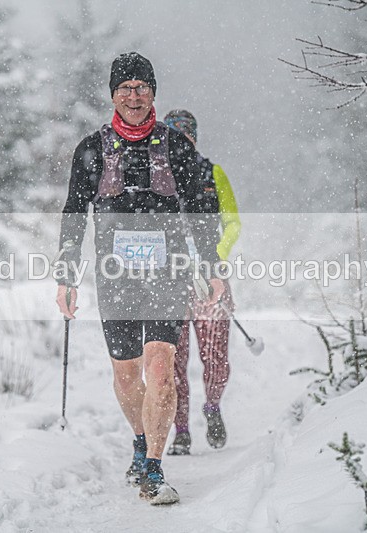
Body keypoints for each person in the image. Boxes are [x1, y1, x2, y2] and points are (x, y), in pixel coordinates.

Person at [55, 52, 224, 505]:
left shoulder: (177, 147)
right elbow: (74, 213)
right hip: (116, 277)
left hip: (167, 275)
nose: (134, 96)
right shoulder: (92, 149)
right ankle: (138, 439)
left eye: (142, 87)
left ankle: (153, 466)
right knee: (128, 378)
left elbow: (203, 211)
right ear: (113, 94)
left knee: (161, 369)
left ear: (153, 93)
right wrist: (66, 275)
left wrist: (209, 264)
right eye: (125, 88)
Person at [163, 109, 241, 455]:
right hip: (169, 281)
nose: (181, 139)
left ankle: (212, 407)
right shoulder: (157, 178)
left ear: (195, 136)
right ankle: (180, 429)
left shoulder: (213, 173)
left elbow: (233, 223)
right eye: (174, 133)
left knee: (216, 358)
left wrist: (216, 259)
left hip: (211, 278)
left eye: (187, 133)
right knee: (173, 361)